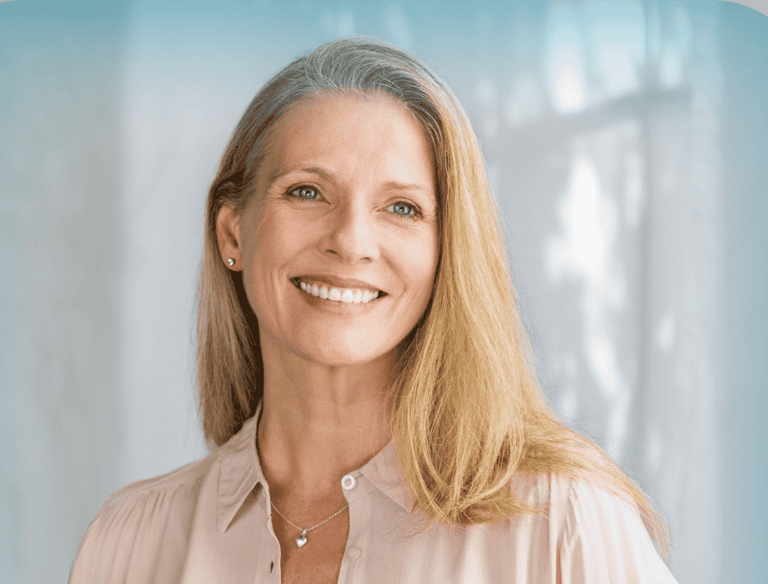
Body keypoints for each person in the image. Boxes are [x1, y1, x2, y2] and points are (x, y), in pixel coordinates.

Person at [69, 38, 679, 583]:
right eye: (307, 192)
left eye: (402, 208)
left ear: (448, 251)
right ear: (233, 233)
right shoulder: (128, 545)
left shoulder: (561, 523)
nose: (352, 241)